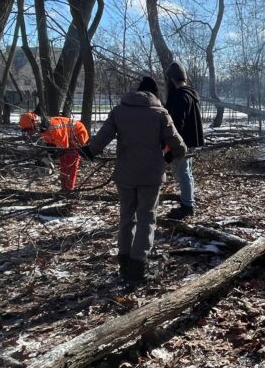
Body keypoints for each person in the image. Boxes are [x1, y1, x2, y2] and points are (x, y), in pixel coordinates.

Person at [79, 77, 186, 283]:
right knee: (146, 218)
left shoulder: (120, 111)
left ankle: (124, 260)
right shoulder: (161, 114)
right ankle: (138, 266)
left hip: (125, 174)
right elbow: (180, 146)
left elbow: (102, 138)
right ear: (155, 94)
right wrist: (171, 154)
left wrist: (89, 152)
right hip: (151, 175)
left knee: (126, 217)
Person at [164, 62, 204, 219]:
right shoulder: (191, 94)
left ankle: (187, 206)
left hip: (181, 143)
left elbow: (175, 126)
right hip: (190, 141)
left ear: (172, 79)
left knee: (183, 174)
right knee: (187, 173)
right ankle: (188, 202)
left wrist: (170, 147)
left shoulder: (179, 96)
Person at [39, 114, 90, 192]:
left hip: (78, 133)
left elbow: (63, 147)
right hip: (66, 136)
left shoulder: (55, 129)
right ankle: (64, 187)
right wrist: (50, 155)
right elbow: (50, 144)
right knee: (63, 162)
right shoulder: (43, 129)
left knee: (71, 163)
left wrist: (54, 156)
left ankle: (69, 188)